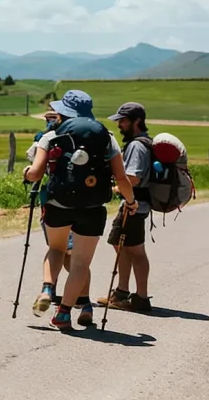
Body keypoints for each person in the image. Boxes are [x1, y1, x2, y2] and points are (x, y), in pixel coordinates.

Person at [23, 89, 138, 331]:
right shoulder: (106, 137)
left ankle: (47, 288)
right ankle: (64, 313)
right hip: (93, 207)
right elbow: (122, 178)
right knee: (80, 263)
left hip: (58, 203)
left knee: (56, 249)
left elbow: (34, 173)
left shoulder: (51, 135)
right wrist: (130, 201)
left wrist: (26, 174)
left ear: (64, 111)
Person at [97, 102, 154, 313]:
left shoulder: (137, 146)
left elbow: (133, 177)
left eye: (124, 120)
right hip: (137, 204)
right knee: (122, 246)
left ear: (137, 121)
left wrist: (114, 187)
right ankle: (123, 293)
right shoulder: (145, 142)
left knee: (135, 251)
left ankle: (139, 298)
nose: (120, 125)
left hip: (133, 205)